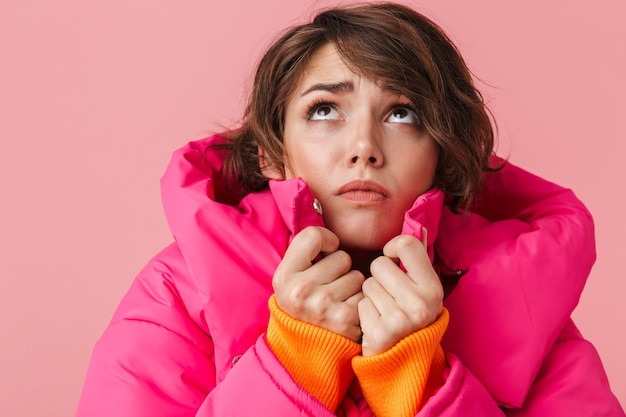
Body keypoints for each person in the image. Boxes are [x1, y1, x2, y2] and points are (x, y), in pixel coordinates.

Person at [76, 3, 624, 416]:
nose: (364, 145)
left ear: (441, 155)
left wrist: (419, 380)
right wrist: (294, 362)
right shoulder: (177, 295)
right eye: (323, 110)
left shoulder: (526, 300)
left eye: (403, 114)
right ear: (271, 152)